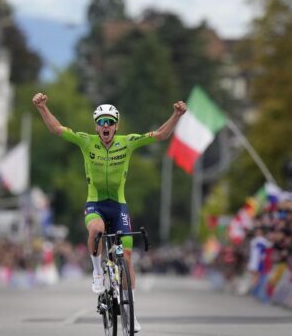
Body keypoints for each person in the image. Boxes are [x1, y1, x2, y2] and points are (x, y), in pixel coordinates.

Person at [33, 92, 187, 332]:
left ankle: (131, 313)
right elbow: (57, 129)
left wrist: (176, 115)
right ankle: (96, 272)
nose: (106, 126)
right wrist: (42, 108)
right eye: (101, 122)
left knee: (126, 256)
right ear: (96, 126)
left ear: (116, 126)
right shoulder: (86, 141)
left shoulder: (128, 142)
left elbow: (160, 135)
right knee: (96, 229)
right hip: (95, 203)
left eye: (110, 122)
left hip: (118, 205)